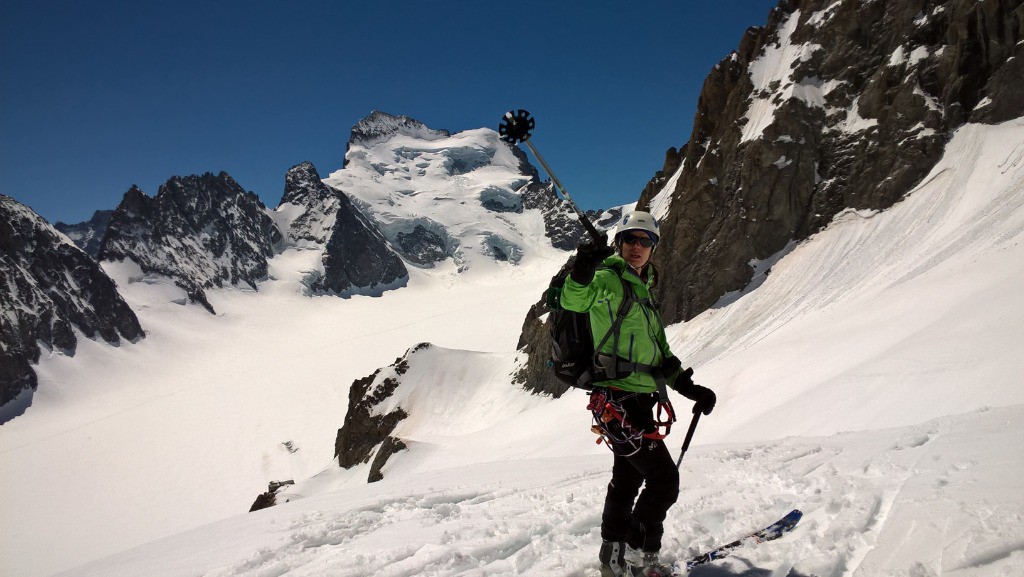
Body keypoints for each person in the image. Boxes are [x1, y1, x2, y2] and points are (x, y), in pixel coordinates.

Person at [559, 210, 717, 577]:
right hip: (618, 399)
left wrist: (689, 388)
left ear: (653, 248)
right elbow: (574, 300)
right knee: (664, 480)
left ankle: (612, 558)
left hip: (639, 399)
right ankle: (638, 555)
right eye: (630, 239)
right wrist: (583, 267)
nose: (636, 246)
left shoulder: (644, 292)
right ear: (620, 243)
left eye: (645, 241)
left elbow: (660, 353)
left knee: (628, 480)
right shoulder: (607, 279)